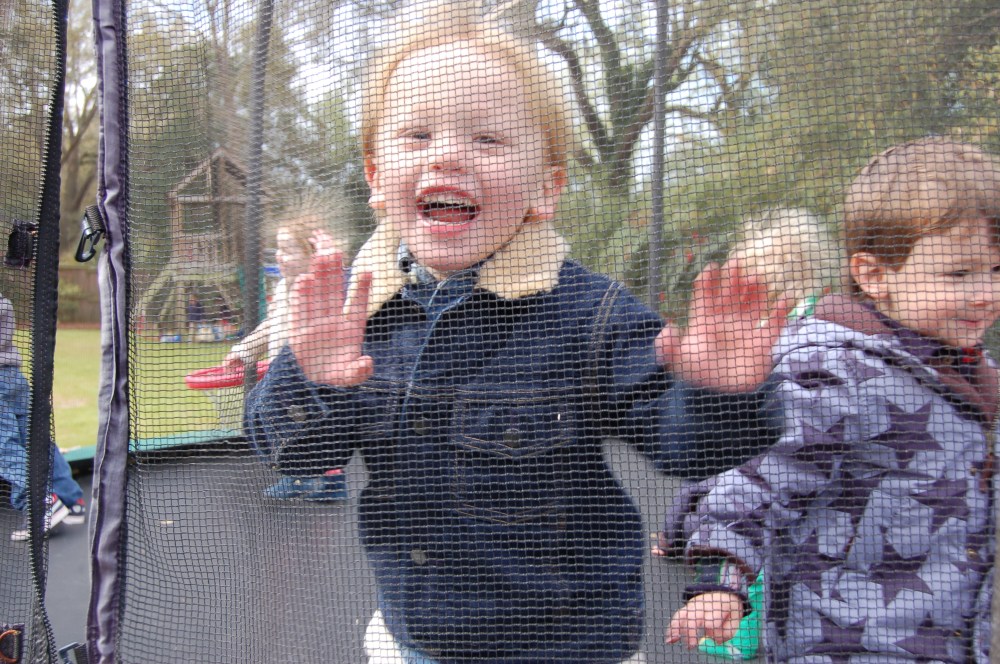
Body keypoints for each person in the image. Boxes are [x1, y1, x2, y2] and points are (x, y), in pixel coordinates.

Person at [245, 6, 788, 662]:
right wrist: (311, 376)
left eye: (488, 140)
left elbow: (690, 452)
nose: (447, 153)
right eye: (416, 135)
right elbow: (292, 454)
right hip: (417, 640)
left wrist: (716, 393)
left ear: (546, 188)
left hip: (570, 647)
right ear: (376, 180)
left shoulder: (592, 317)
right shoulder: (358, 317)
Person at [666, 136, 1000, 663]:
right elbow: (760, 471)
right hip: (842, 641)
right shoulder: (834, 368)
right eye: (959, 274)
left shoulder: (975, 380)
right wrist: (721, 577)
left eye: (997, 270)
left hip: (951, 641)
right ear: (874, 274)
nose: (987, 293)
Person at [652, 208, 843, 661]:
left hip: (759, 509)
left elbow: (722, 470)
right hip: (818, 526)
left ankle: (735, 628)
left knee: (748, 581)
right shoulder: (830, 329)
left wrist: (674, 532)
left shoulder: (765, 344)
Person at [223, 198, 350, 501]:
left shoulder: (321, 286)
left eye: (289, 250)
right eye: (278, 249)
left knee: (305, 426)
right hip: (285, 372)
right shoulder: (282, 287)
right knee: (297, 424)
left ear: (310, 254)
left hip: (312, 372)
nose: (280, 256)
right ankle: (322, 479)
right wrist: (244, 351)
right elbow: (270, 326)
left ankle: (306, 477)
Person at [0, 295, 86, 541]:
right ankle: (70, 500)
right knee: (36, 441)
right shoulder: (4, 300)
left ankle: (43, 503)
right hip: (12, 377)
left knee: (5, 448)